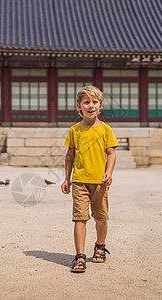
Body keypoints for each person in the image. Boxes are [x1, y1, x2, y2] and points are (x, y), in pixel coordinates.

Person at [61, 85, 119, 273]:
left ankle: (100, 246)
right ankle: (79, 256)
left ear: (100, 106)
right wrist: (66, 179)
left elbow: (111, 153)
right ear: (79, 106)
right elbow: (69, 156)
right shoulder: (74, 130)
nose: (91, 105)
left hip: (100, 182)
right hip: (79, 181)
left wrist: (109, 172)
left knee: (101, 218)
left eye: (95, 102)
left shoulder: (106, 130)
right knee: (80, 218)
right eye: (87, 102)